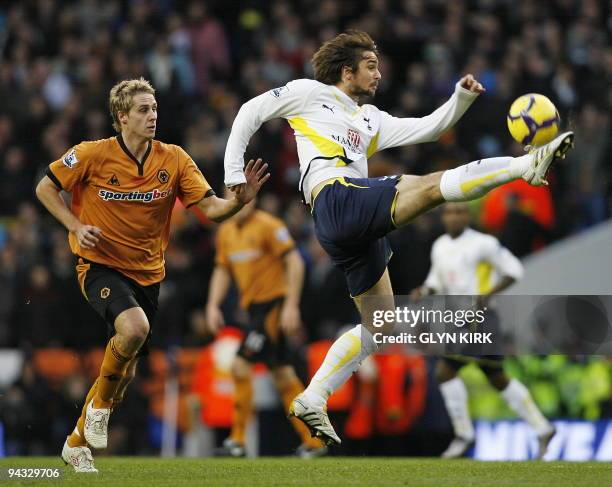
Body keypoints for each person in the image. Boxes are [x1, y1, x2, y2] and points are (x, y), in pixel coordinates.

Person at [223, 30, 573, 445]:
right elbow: (250, 111)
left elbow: (428, 128)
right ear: (346, 70)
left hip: (349, 224)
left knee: (382, 322)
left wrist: (459, 99)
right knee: (430, 187)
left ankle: (314, 396)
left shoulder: (370, 119)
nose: (378, 73)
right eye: (370, 66)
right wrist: (232, 175)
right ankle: (527, 166)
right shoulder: (308, 93)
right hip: (337, 198)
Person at [35, 78, 269, 472]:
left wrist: (237, 203)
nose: (152, 116)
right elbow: (44, 188)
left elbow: (211, 210)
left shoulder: (174, 159)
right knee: (133, 329)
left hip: (147, 275)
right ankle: (98, 413)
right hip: (99, 265)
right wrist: (74, 226)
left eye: (155, 109)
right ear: (121, 117)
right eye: (143, 110)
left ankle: (76, 443)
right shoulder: (91, 154)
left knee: (127, 373)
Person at [410, 202, 555, 459]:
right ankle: (542, 427)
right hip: (456, 318)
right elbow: (435, 281)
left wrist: (487, 296)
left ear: (469, 216)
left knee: (445, 371)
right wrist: (424, 291)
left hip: (480, 318)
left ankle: (464, 434)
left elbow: (514, 270)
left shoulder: (484, 244)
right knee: (496, 376)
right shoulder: (440, 246)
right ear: (443, 217)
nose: (454, 217)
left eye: (460, 212)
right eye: (450, 212)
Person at [205, 196, 326, 458]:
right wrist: (213, 304)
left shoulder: (269, 226)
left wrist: (291, 306)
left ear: (254, 197)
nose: (239, 199)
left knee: (239, 365)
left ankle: (237, 441)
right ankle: (315, 440)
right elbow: (222, 269)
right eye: (232, 192)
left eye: (243, 193)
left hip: (273, 308)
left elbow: (294, 262)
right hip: (254, 311)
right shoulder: (226, 232)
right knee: (283, 376)